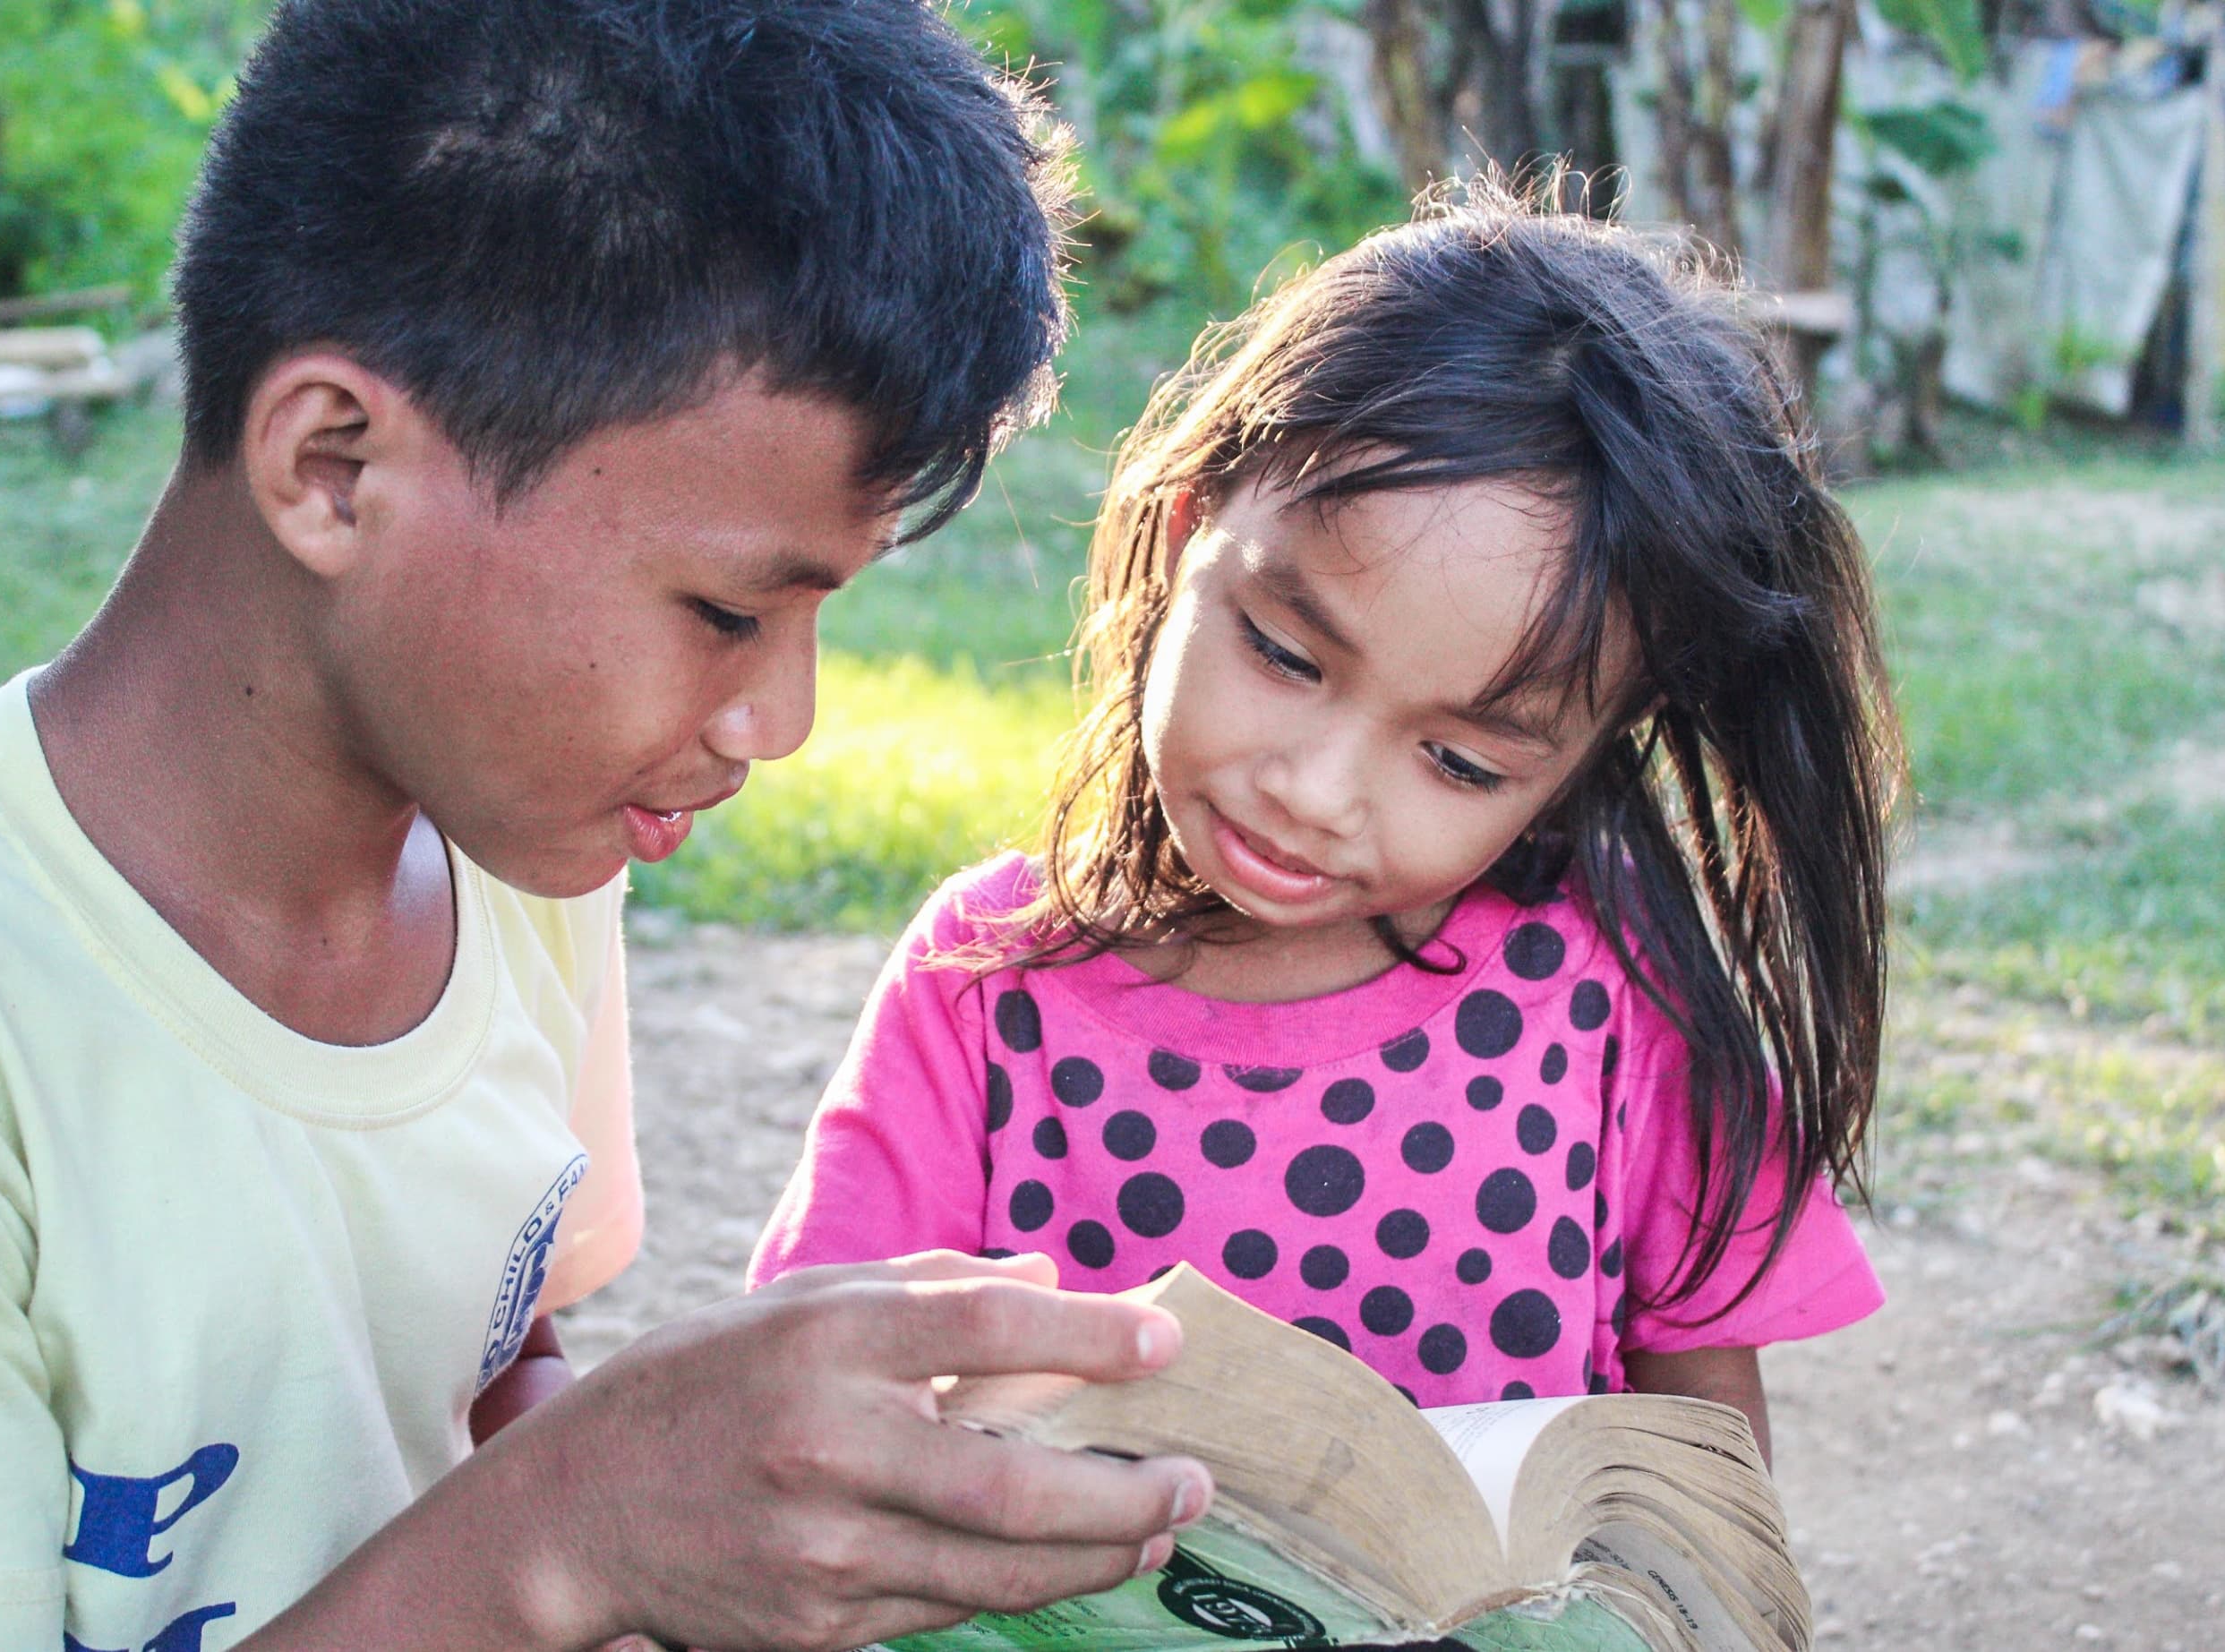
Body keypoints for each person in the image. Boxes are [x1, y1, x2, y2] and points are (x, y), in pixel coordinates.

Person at [0, 2, 1218, 1648]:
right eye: (729, 612)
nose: (777, 722)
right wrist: (571, 1529)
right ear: (331, 468)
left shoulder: (517, 843)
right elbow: (533, 1513)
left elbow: (481, 1361)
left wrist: (714, 1502)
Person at [750, 185, 1904, 1457]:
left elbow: (1706, 1472)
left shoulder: (1619, 1001)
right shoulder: (985, 985)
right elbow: (816, 1381)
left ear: (1573, 765)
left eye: (1459, 761)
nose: (1315, 789)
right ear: (1192, 529)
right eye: (1286, 655)